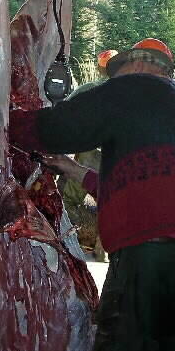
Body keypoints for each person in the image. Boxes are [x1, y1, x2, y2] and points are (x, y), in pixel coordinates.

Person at [10, 37, 175, 351]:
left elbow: (57, 128)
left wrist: (0, 122)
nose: (115, 79)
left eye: (119, 71)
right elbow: (148, 185)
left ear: (139, 66)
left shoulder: (132, 90)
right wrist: (74, 171)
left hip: (146, 262)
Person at [60, 49, 117, 262]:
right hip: (115, 154)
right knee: (108, 200)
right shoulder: (127, 92)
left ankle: (66, 243)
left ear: (99, 68)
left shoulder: (89, 88)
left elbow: (65, 110)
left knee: (69, 198)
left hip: (90, 152)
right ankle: (103, 250)